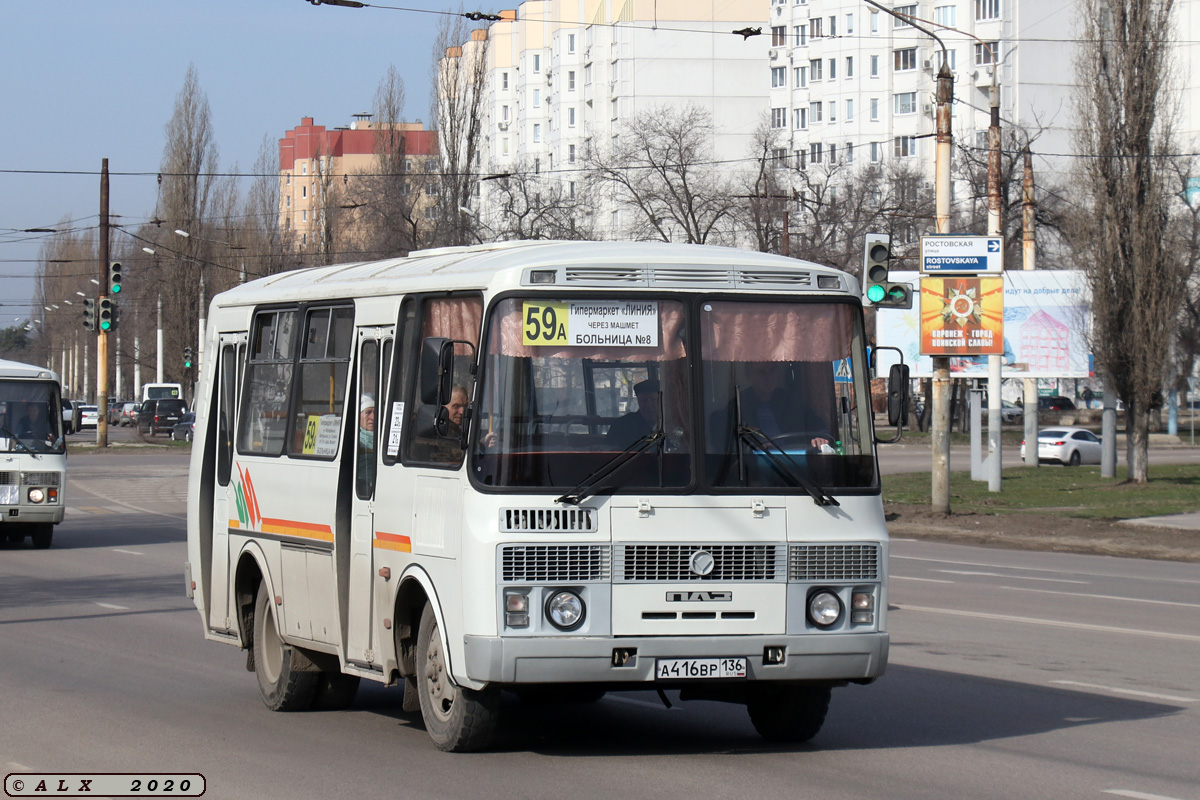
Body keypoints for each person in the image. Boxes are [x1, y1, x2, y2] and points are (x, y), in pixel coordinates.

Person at [734, 362, 832, 450]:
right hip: (754, 465)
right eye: (761, 372)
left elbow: (818, 426)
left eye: (772, 370)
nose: (768, 377)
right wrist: (754, 447)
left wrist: (820, 438)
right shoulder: (739, 405)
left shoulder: (792, 402)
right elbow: (731, 442)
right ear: (749, 376)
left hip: (790, 464)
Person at [607, 379, 661, 445]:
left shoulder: (671, 424)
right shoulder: (621, 426)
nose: (649, 405)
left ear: (661, 401)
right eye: (644, 401)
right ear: (638, 401)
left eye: (653, 400)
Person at [356, 394, 376, 492]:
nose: (373, 417)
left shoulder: (384, 437)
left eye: (375, 412)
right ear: (358, 416)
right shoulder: (356, 439)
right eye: (368, 413)